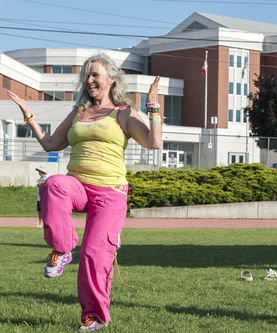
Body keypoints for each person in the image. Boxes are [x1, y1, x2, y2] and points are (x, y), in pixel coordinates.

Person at [7, 53, 163, 331]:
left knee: (94, 254)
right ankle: (63, 249)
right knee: (53, 184)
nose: (89, 80)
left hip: (110, 192)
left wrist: (152, 105)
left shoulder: (124, 113)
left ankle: (94, 316)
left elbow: (154, 142)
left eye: (95, 75)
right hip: (77, 185)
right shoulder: (79, 112)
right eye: (87, 76)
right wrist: (29, 117)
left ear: (111, 80)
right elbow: (51, 144)